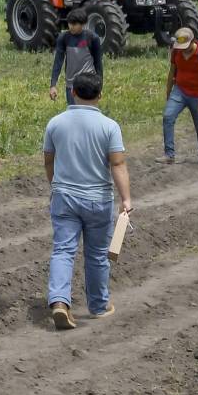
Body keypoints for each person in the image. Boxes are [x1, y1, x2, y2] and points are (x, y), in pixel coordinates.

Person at [42, 71, 130, 329]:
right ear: (100, 95)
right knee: (97, 254)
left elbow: (49, 159)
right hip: (98, 200)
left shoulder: (55, 123)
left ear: (73, 92)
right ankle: (99, 305)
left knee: (63, 250)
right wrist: (126, 199)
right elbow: (118, 163)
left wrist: (55, 185)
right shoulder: (110, 126)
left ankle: (59, 301)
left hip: (64, 197)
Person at [163, 26, 198, 166]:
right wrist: (168, 92)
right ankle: (169, 155)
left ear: (192, 41)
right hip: (179, 91)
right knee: (168, 117)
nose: (181, 49)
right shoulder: (176, 53)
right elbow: (172, 71)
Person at [48, 8, 103, 104]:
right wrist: (53, 85)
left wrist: (99, 86)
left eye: (74, 24)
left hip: (89, 83)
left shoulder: (93, 38)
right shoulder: (63, 38)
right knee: (74, 112)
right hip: (71, 85)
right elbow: (58, 62)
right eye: (69, 23)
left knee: (88, 114)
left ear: (83, 24)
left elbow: (98, 63)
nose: (71, 26)